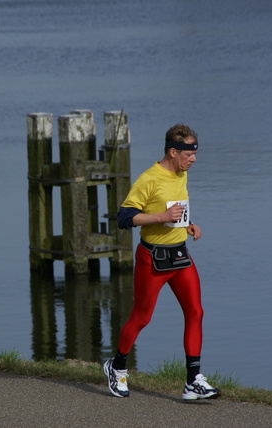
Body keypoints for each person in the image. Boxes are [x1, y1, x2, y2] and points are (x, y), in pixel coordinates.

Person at [103, 123, 220, 400]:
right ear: (172, 151)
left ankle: (193, 382)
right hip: (152, 259)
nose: (193, 159)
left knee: (196, 312)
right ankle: (117, 367)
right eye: (188, 154)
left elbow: (172, 207)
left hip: (179, 255)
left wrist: (187, 224)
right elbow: (124, 218)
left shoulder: (181, 174)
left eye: (194, 153)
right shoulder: (148, 179)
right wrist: (162, 219)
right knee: (142, 317)